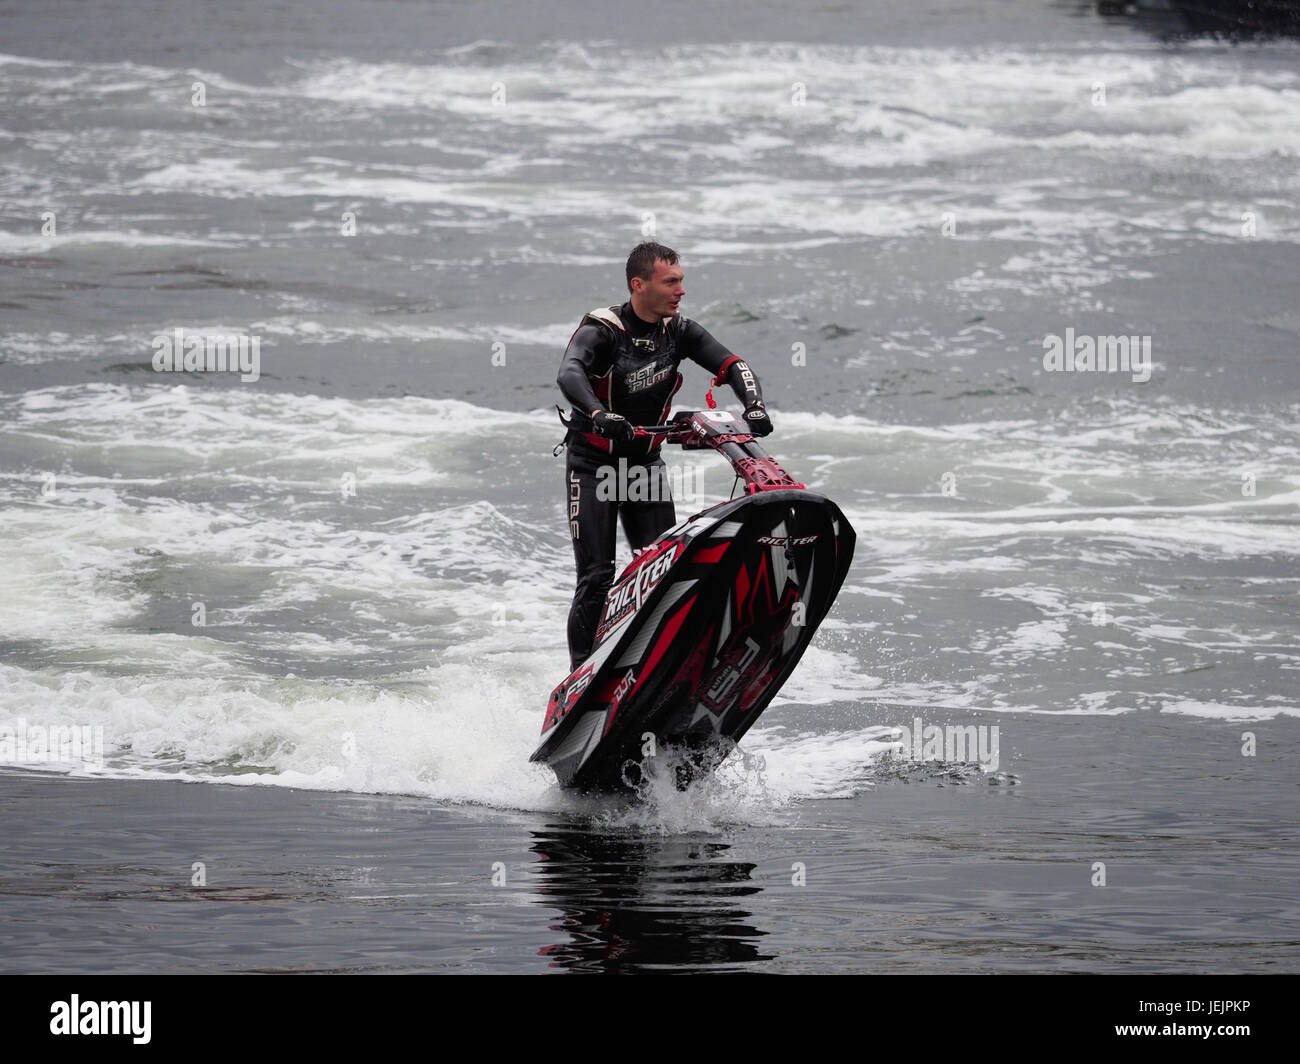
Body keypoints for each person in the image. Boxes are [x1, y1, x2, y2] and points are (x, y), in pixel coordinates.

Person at [556, 241, 773, 670]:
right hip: (593, 468)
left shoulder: (680, 331)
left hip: (644, 468)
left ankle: (658, 662)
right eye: (670, 282)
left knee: (664, 573)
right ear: (639, 285)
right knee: (598, 579)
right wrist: (599, 414)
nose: (680, 290)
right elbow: (569, 372)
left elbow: (733, 365)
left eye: (682, 281)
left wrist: (755, 405)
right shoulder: (602, 330)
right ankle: (579, 678)